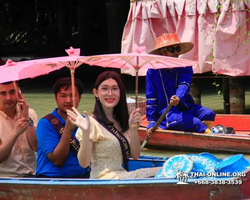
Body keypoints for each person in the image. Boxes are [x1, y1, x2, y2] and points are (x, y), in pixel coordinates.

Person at [66, 71, 161, 179]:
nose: (110, 93)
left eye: (115, 89)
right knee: (164, 171)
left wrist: (133, 129)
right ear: (96, 93)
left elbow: (135, 156)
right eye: (105, 89)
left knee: (170, 169)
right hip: (103, 180)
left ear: (120, 92)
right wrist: (86, 131)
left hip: (122, 176)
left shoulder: (123, 121)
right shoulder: (90, 123)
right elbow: (83, 163)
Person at [146, 33, 216, 135]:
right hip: (167, 114)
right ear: (162, 51)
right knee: (195, 122)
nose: (176, 53)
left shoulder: (185, 67)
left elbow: (184, 85)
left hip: (186, 107)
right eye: (171, 50)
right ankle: (210, 136)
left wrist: (178, 98)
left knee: (209, 114)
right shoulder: (152, 71)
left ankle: (201, 133)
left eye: (177, 49)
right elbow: (151, 98)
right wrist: (152, 121)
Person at [36, 77, 90, 178]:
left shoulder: (85, 121)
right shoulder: (45, 123)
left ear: (80, 97)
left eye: (73, 95)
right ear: (56, 97)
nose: (68, 100)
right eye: (63, 96)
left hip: (82, 177)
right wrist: (68, 130)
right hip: (50, 178)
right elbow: (57, 160)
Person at [0, 81, 38, 177]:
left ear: (19, 93)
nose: (9, 98)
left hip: (33, 174)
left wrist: (26, 116)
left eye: (13, 92)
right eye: (3, 93)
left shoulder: (30, 113)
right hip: (6, 177)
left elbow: (36, 146)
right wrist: (15, 133)